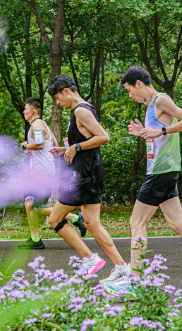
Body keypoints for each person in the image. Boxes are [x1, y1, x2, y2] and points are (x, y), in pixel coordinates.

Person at [104, 67, 182, 296]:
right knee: (177, 224)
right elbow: (157, 135)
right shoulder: (151, 105)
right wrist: (144, 132)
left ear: (139, 84)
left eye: (130, 90)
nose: (130, 96)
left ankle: (135, 280)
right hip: (164, 170)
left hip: (161, 171)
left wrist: (160, 130)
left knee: (136, 222)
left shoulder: (161, 100)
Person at [46, 75, 129, 277]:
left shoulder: (81, 110)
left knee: (54, 219)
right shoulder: (83, 109)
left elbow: (103, 137)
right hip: (89, 173)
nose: (58, 103)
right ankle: (121, 268)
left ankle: (89, 258)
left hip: (82, 176)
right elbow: (86, 138)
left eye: (57, 98)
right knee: (92, 223)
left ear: (66, 91)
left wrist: (76, 147)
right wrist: (64, 148)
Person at [18, 96, 87, 250]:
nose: (24, 111)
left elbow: (40, 144)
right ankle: (35, 240)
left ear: (33, 112)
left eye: (26, 109)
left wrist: (25, 146)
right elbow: (54, 145)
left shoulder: (36, 125)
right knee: (29, 203)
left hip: (41, 174)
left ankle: (74, 217)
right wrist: (32, 151)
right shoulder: (44, 126)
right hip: (40, 172)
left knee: (36, 207)